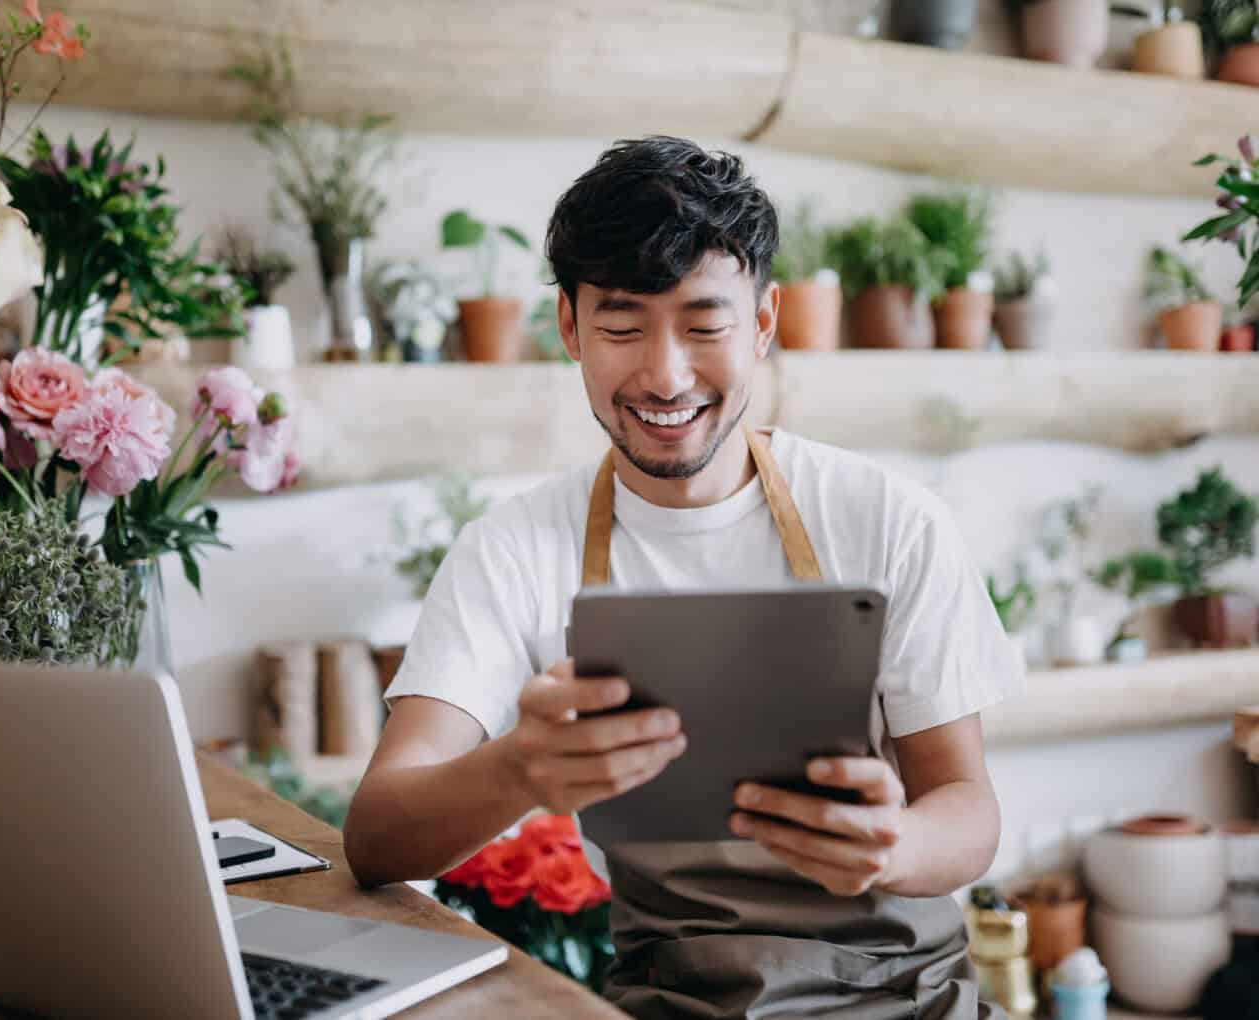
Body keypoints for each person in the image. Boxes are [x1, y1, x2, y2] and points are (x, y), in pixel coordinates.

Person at [344, 135, 1023, 1019]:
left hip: (906, 998)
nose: (665, 375)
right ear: (568, 327)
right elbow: (375, 835)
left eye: (705, 326)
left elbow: (967, 809)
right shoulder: (511, 551)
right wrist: (519, 770)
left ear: (766, 323)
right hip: (674, 1001)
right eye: (622, 327)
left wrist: (893, 844)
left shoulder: (887, 518)